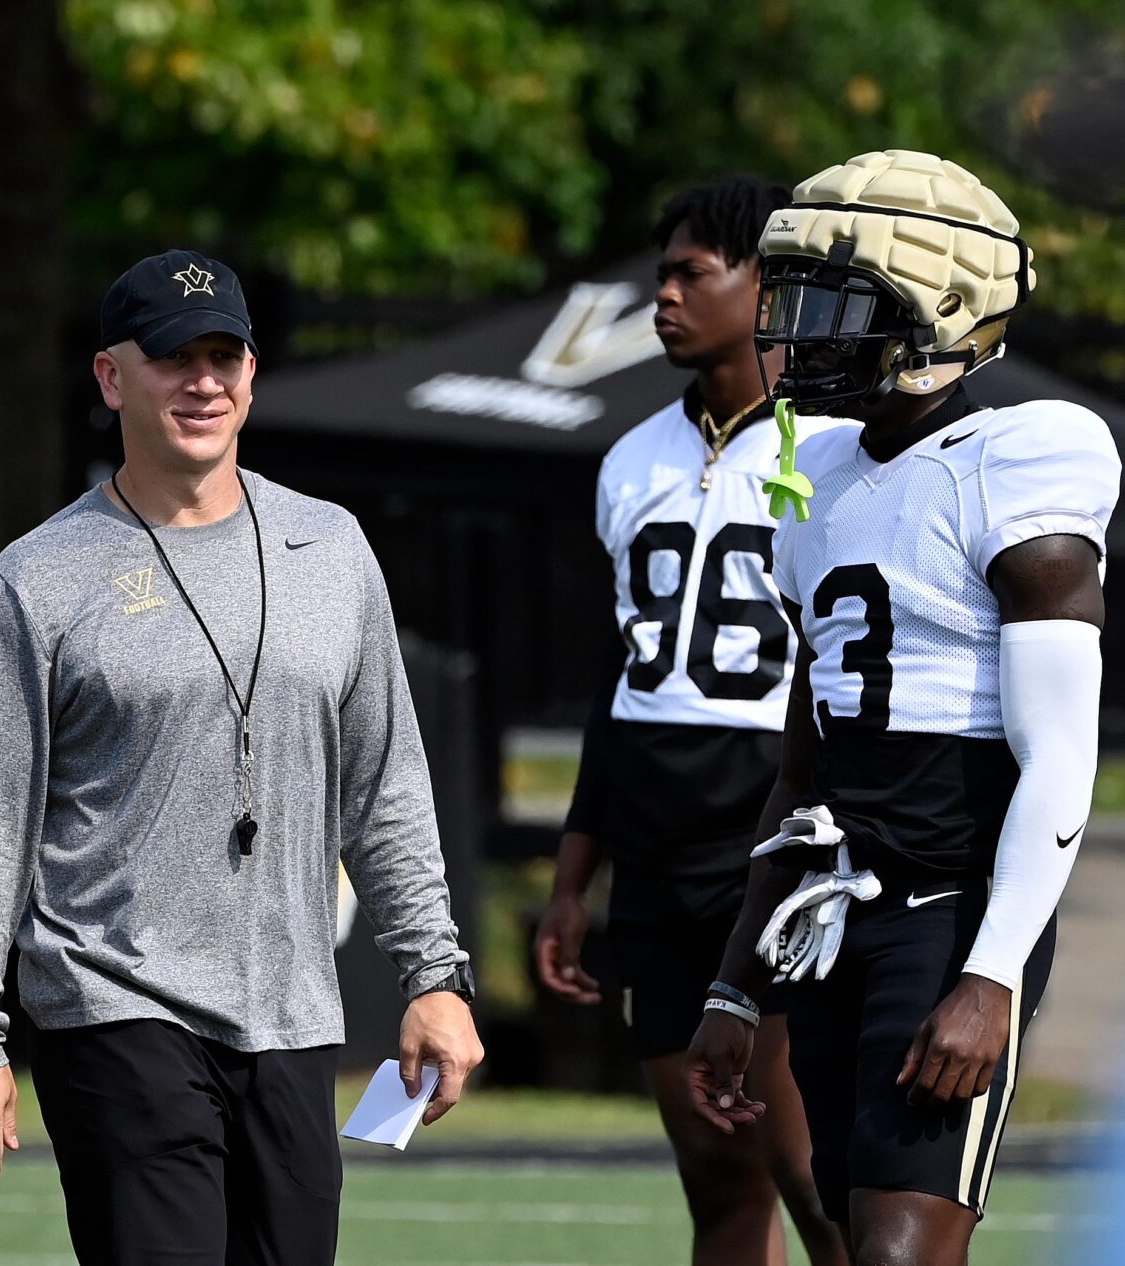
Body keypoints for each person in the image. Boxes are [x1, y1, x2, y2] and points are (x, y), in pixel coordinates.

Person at [0, 248, 483, 1264]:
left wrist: (434, 976)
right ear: (110, 377)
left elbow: (386, 785)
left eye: (226, 356)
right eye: (175, 357)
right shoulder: (37, 581)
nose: (204, 381)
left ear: (254, 374)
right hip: (113, 1005)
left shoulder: (333, 550)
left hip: (293, 1016)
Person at [685, 149, 1118, 1266]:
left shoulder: (1020, 461)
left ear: (941, 314)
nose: (795, 334)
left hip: (951, 909)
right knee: (837, 1234)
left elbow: (1062, 759)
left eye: (833, 304)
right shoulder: (817, 478)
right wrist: (737, 983)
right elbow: (801, 767)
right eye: (792, 302)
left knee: (897, 1254)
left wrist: (993, 975)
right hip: (830, 919)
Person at [535, 175, 848, 1266]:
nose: (662, 296)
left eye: (690, 274)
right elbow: (624, 683)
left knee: (817, 1182)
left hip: (775, 839)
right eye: (660, 273)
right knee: (720, 1186)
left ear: (768, 288)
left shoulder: (838, 448)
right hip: (657, 856)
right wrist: (576, 880)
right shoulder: (631, 460)